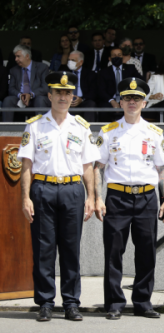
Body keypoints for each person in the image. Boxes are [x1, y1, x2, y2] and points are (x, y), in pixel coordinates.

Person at [18, 71, 99, 322]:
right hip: (42, 189)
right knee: (44, 249)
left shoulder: (82, 127)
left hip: (73, 190)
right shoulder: (34, 125)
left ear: (73, 97)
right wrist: (25, 198)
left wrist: (91, 197)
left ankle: (71, 302)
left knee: (70, 249)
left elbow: (88, 167)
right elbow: (26, 165)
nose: (63, 97)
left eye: (68, 93)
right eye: (58, 92)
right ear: (49, 95)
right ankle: (45, 302)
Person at [93, 77, 164, 320]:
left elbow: (163, 169)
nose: (132, 102)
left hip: (147, 197)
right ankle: (115, 303)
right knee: (114, 252)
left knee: (146, 252)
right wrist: (97, 197)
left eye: (137, 98)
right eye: (127, 97)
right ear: (119, 102)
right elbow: (97, 167)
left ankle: (142, 301)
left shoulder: (155, 132)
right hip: (117, 197)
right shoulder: (108, 132)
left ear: (145, 102)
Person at [3, 45, 50, 122]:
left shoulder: (42, 67)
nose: (16, 59)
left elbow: (45, 87)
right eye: (15, 57)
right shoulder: (14, 70)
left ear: (27, 56)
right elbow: (11, 88)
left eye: (18, 56)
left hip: (36, 97)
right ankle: (6, 131)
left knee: (40, 99)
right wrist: (20, 95)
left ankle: (41, 129)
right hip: (20, 98)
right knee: (8, 100)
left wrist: (31, 95)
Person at [97, 47, 142, 111]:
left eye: (119, 55)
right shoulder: (103, 72)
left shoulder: (131, 68)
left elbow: (140, 82)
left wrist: (129, 99)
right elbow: (101, 90)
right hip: (110, 100)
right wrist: (112, 101)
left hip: (128, 99)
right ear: (109, 58)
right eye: (114, 55)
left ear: (122, 57)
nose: (117, 57)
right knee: (104, 108)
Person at [67, 51, 98, 121]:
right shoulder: (65, 73)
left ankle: (89, 129)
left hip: (83, 100)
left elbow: (94, 92)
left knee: (91, 104)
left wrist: (82, 99)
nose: (69, 62)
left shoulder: (90, 74)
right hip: (67, 100)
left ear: (81, 62)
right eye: (69, 60)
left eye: (73, 60)